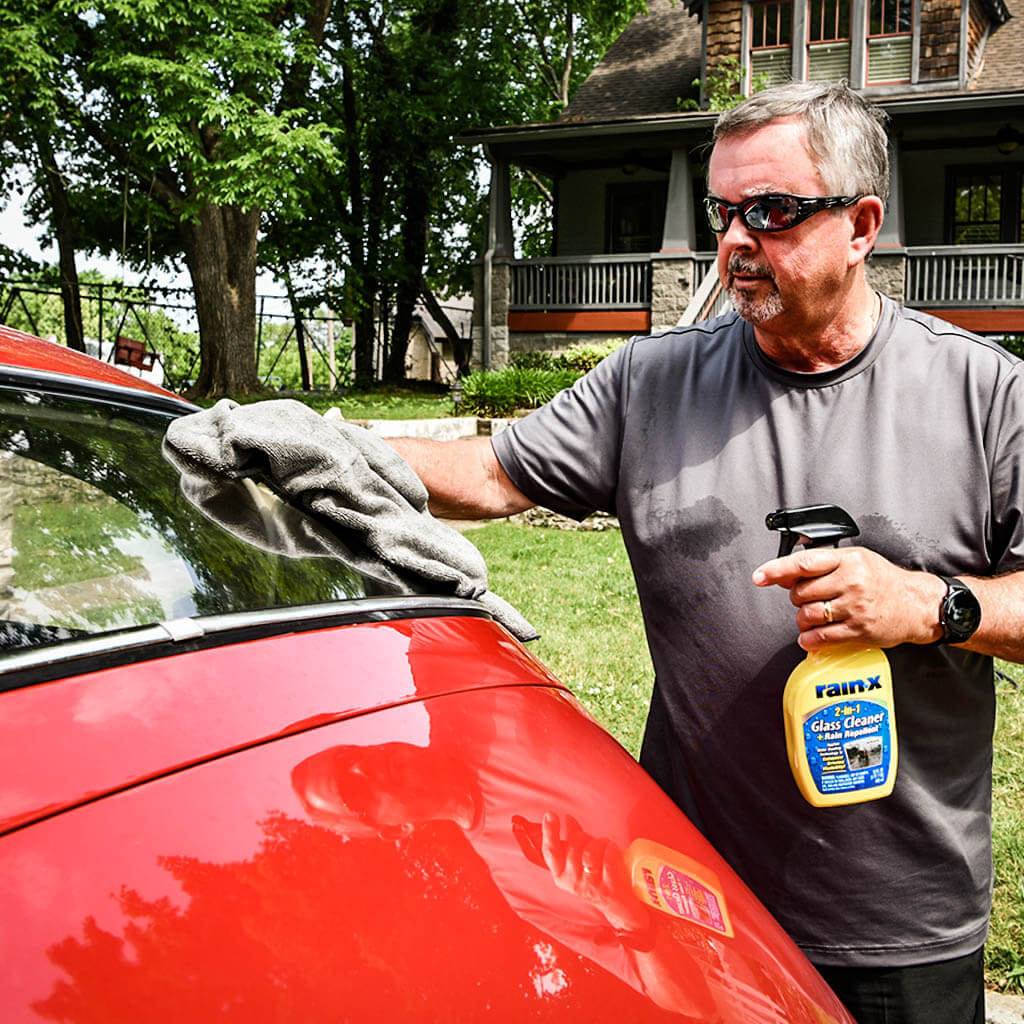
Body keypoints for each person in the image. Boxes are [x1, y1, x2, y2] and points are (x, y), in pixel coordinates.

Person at [386, 80, 1024, 1023]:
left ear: (861, 226)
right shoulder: (652, 381)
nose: (734, 242)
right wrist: (339, 451)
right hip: (692, 901)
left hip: (901, 925)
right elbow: (489, 473)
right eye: (724, 212)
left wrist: (931, 606)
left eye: (771, 212)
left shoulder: (986, 394)